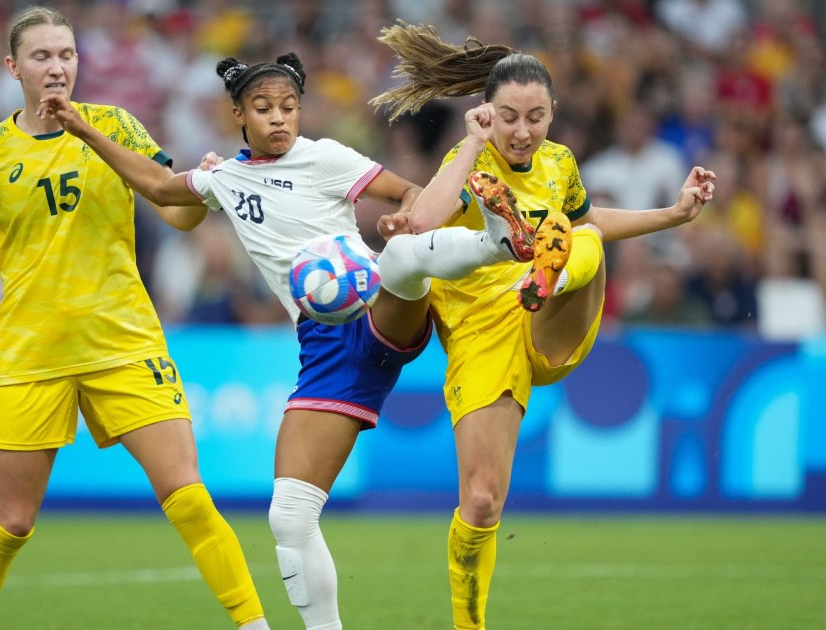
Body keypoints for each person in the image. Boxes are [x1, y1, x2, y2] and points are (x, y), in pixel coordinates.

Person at [37, 51, 534, 630]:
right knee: (290, 516)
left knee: (399, 255)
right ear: (239, 116)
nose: (279, 118)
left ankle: (501, 242)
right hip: (324, 350)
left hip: (379, 308)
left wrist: (403, 217)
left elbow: (409, 193)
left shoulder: (326, 158)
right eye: (264, 108)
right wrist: (81, 127)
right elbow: (156, 184)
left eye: (289, 107)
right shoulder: (223, 178)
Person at [0, 7, 268, 630]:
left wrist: (204, 191)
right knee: (12, 519)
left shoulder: (114, 125)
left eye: (67, 54)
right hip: (29, 351)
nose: (57, 66)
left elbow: (174, 208)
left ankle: (255, 626)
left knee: (187, 495)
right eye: (42, 56)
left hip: (123, 342)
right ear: (13, 67)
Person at [369, 23, 717, 629]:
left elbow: (595, 221)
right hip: (483, 333)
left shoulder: (559, 164)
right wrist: (472, 147)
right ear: (487, 115)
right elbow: (420, 223)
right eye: (508, 118)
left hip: (550, 310)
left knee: (580, 237)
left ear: (553, 115)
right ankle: (470, 625)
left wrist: (676, 214)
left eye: (536, 117)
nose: (523, 131)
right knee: (480, 502)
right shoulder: (466, 158)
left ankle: (546, 268)